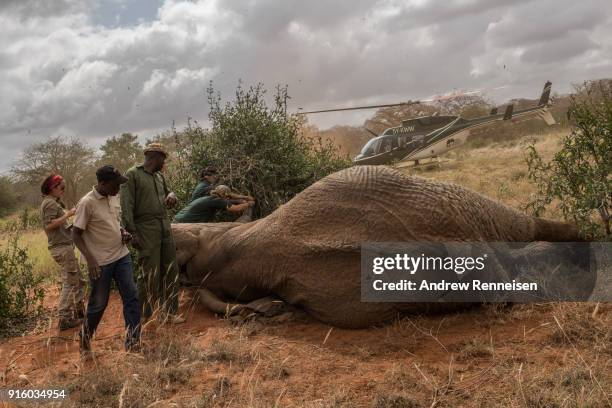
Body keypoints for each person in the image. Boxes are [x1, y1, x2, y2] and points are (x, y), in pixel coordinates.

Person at [72, 165, 140, 354]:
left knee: (132, 296)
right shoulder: (87, 203)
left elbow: (115, 223)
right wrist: (91, 261)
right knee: (99, 303)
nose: (118, 188)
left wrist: (123, 232)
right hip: (100, 262)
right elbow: (76, 234)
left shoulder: (113, 197)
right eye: (115, 184)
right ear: (102, 183)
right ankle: (85, 337)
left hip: (121, 255)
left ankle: (133, 342)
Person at [120, 143, 184, 323]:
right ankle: (144, 315)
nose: (164, 163)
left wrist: (172, 195)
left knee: (170, 270)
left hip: (164, 225)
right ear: (155, 157)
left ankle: (169, 313)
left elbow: (169, 192)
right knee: (149, 273)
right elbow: (126, 205)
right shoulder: (132, 174)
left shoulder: (159, 176)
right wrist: (132, 232)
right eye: (163, 159)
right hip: (145, 228)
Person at [40, 174, 85, 330]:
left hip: (64, 246)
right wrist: (69, 214)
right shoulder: (50, 204)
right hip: (61, 247)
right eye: (61, 188)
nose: (63, 191)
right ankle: (64, 318)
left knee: (78, 279)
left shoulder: (53, 202)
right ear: (53, 187)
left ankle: (80, 312)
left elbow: (61, 226)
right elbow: (49, 225)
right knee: (70, 282)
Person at [173, 185, 254, 223]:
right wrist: (248, 204)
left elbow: (231, 196)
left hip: (177, 219)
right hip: (183, 224)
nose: (228, 198)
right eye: (227, 196)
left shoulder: (211, 197)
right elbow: (236, 208)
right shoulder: (218, 200)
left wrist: (245, 197)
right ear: (224, 195)